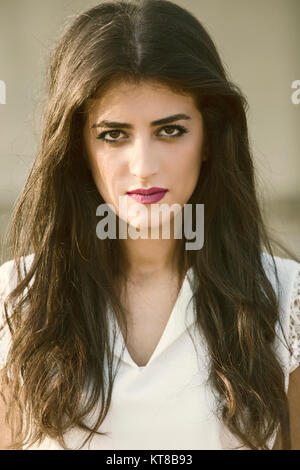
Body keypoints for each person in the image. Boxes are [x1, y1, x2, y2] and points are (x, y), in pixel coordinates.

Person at [0, 0, 299, 451]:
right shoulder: (16, 303)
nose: (143, 167)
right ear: (79, 147)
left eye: (170, 130)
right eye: (113, 134)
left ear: (209, 139)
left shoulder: (284, 300)